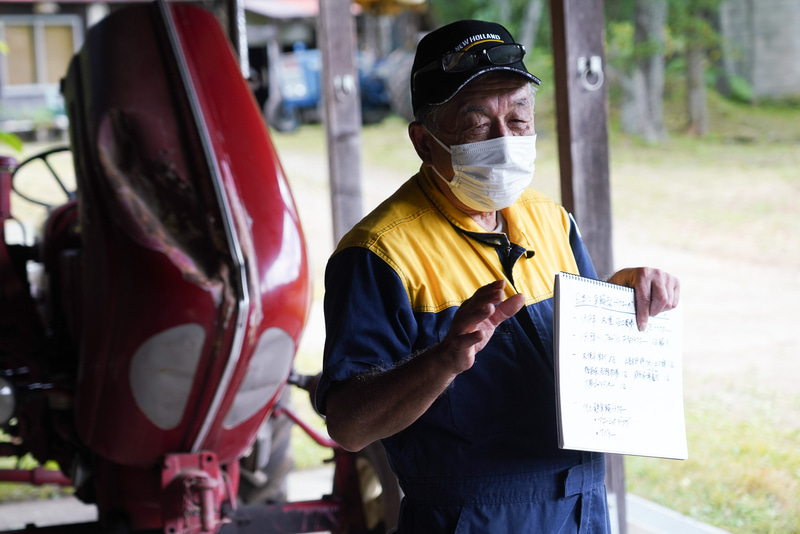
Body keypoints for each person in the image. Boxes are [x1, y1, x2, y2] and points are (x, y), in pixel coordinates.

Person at [315, 19, 680, 533]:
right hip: (470, 518)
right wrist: (445, 359)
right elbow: (350, 426)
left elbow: (585, 362)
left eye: (518, 116)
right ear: (423, 142)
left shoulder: (551, 219)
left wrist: (627, 295)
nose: (505, 139)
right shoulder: (378, 253)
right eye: (477, 122)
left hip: (582, 508)